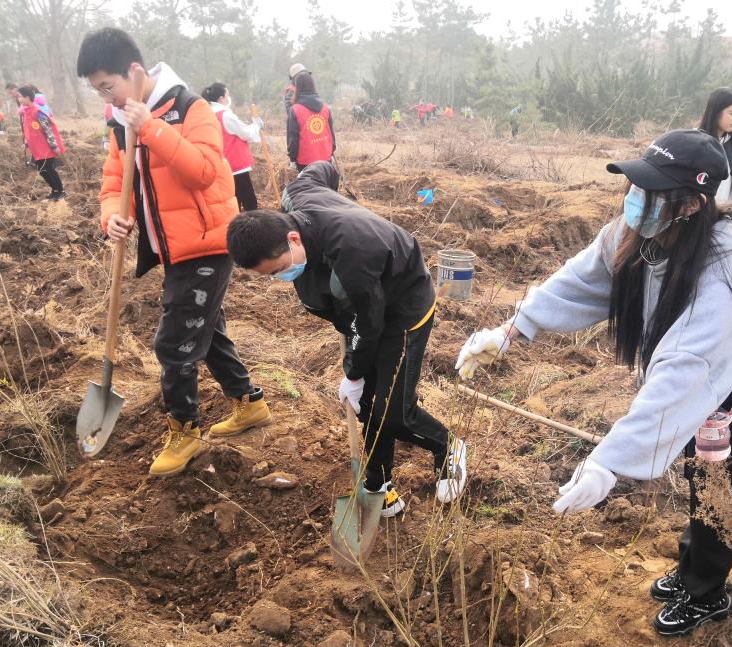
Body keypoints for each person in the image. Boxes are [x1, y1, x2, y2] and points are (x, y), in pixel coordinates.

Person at [456, 129, 732, 637]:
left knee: (725, 480)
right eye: (637, 187)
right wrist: (512, 329)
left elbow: (680, 379)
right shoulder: (640, 236)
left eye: (652, 192)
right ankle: (692, 568)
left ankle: (708, 592)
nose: (637, 200)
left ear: (692, 205)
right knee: (698, 470)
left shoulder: (726, 281)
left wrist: (609, 462)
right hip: (697, 371)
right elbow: (580, 278)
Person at [77, 26, 271, 477]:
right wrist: (113, 216)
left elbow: (204, 171)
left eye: (108, 86)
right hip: (172, 247)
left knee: (174, 343)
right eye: (98, 91)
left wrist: (151, 128)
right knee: (207, 331)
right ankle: (249, 404)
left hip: (207, 243)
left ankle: (185, 429)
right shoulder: (119, 123)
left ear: (134, 71)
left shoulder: (190, 108)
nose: (107, 98)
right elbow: (114, 181)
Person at [226, 161, 467, 516]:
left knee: (394, 412)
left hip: (404, 305)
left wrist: (353, 375)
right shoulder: (297, 194)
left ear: (293, 239)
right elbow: (323, 168)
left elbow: (367, 326)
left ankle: (448, 447)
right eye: (270, 275)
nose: (279, 278)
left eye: (279, 270)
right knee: (367, 403)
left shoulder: (353, 255)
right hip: (366, 306)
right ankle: (379, 482)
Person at [202, 82, 262, 211]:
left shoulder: (207, 114)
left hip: (221, 165)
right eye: (227, 95)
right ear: (221, 98)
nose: (229, 98)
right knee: (250, 202)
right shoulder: (225, 115)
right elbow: (245, 133)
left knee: (233, 203)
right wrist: (256, 125)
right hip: (236, 164)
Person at [699, 87, 732, 227]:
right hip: (702, 219)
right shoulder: (698, 143)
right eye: (731, 113)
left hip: (728, 219)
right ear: (716, 112)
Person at [18, 85, 67, 201]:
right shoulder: (26, 112)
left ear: (27, 97)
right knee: (41, 169)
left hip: (45, 147)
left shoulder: (38, 112)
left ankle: (60, 191)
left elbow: (48, 130)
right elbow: (29, 130)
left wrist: (54, 146)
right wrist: (26, 142)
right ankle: (55, 190)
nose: (18, 99)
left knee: (49, 169)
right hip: (36, 148)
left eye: (20, 96)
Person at [286, 72, 335, 171]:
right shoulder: (325, 107)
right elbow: (331, 134)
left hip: (305, 162)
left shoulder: (295, 110)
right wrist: (331, 152)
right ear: (313, 86)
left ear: (297, 88)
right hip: (326, 159)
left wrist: (292, 159)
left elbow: (293, 139)